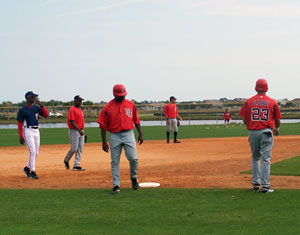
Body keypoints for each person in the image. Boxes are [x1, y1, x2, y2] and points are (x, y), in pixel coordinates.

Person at [97, 84, 143, 194]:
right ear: (114, 95)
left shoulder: (131, 105)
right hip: (114, 135)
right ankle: (116, 185)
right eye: (120, 95)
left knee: (133, 158)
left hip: (128, 134)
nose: (122, 97)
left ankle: (134, 177)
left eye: (123, 95)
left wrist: (140, 133)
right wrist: (104, 142)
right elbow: (102, 126)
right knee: (115, 161)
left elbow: (136, 120)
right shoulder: (107, 108)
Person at [239, 79, 281, 193]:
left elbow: (243, 118)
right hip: (266, 132)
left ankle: (256, 185)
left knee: (255, 158)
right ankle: (266, 186)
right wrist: (277, 129)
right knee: (266, 159)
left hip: (253, 132)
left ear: (255, 88)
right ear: (266, 88)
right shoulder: (272, 102)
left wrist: (251, 125)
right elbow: (277, 120)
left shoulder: (249, 102)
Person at [17, 91, 48, 179]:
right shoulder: (23, 110)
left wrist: (41, 105)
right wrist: (20, 136)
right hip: (28, 131)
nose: (34, 99)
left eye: (35, 97)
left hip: (36, 131)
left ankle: (27, 168)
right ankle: (33, 172)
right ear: (28, 97)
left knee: (36, 152)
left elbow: (46, 115)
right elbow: (20, 124)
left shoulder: (36, 108)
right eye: (33, 97)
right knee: (32, 152)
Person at [64, 95, 86, 171]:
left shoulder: (79, 109)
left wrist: (82, 131)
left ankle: (77, 165)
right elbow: (71, 121)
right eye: (79, 101)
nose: (80, 102)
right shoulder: (72, 109)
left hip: (81, 130)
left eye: (81, 101)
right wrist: (79, 130)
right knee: (74, 149)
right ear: (75, 101)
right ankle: (66, 160)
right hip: (74, 131)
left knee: (80, 148)